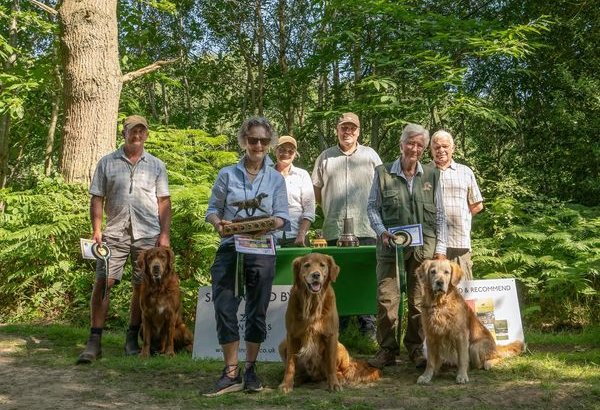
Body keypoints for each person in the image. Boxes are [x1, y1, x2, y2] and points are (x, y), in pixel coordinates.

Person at [77, 115, 171, 364]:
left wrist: (164, 235)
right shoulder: (107, 162)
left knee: (141, 287)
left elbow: (164, 202)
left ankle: (132, 338)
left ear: (146, 135)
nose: (137, 135)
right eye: (133, 130)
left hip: (147, 234)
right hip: (114, 232)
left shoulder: (156, 165)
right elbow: (97, 197)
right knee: (103, 282)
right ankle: (94, 341)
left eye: (142, 131)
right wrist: (97, 229)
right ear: (124, 133)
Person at [205, 117, 289, 395]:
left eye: (264, 141)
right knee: (224, 305)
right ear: (244, 140)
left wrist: (265, 224)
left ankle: (251, 368)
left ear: (269, 144)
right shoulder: (227, 174)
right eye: (253, 139)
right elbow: (212, 210)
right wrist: (219, 224)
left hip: (262, 249)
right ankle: (231, 371)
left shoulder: (276, 178)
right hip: (230, 248)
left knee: (257, 309)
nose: (258, 145)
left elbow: (282, 217)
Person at [367, 123, 447, 369]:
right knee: (386, 300)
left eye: (419, 145)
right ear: (401, 144)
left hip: (424, 252)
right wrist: (381, 232)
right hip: (390, 249)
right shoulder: (382, 173)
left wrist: (441, 249)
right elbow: (371, 207)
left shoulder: (432, 174)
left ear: (424, 148)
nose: (414, 148)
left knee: (419, 301)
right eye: (410, 143)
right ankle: (387, 350)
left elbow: (441, 214)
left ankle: (415, 349)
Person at [311, 112, 382, 338]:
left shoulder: (370, 155)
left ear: (359, 131)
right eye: (344, 127)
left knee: (365, 277)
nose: (348, 131)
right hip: (334, 229)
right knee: (335, 278)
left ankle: (368, 327)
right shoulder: (325, 157)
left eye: (352, 128)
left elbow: (383, 187)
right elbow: (316, 191)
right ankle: (337, 327)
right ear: (337, 130)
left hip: (366, 227)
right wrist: (331, 210)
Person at [429, 130, 483, 280]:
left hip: (459, 242)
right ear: (431, 150)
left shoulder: (465, 172)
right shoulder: (424, 173)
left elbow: (477, 205)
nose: (441, 150)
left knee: (463, 291)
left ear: (453, 148)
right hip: (432, 244)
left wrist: (460, 219)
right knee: (435, 293)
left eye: (445, 146)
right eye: (436, 147)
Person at [273, 135, 315, 247]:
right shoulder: (266, 175)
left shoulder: (302, 175)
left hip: (297, 236)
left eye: (290, 151)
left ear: (295, 154)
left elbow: (309, 209)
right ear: (275, 151)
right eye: (281, 149)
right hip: (271, 236)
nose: (286, 153)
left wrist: (301, 234)